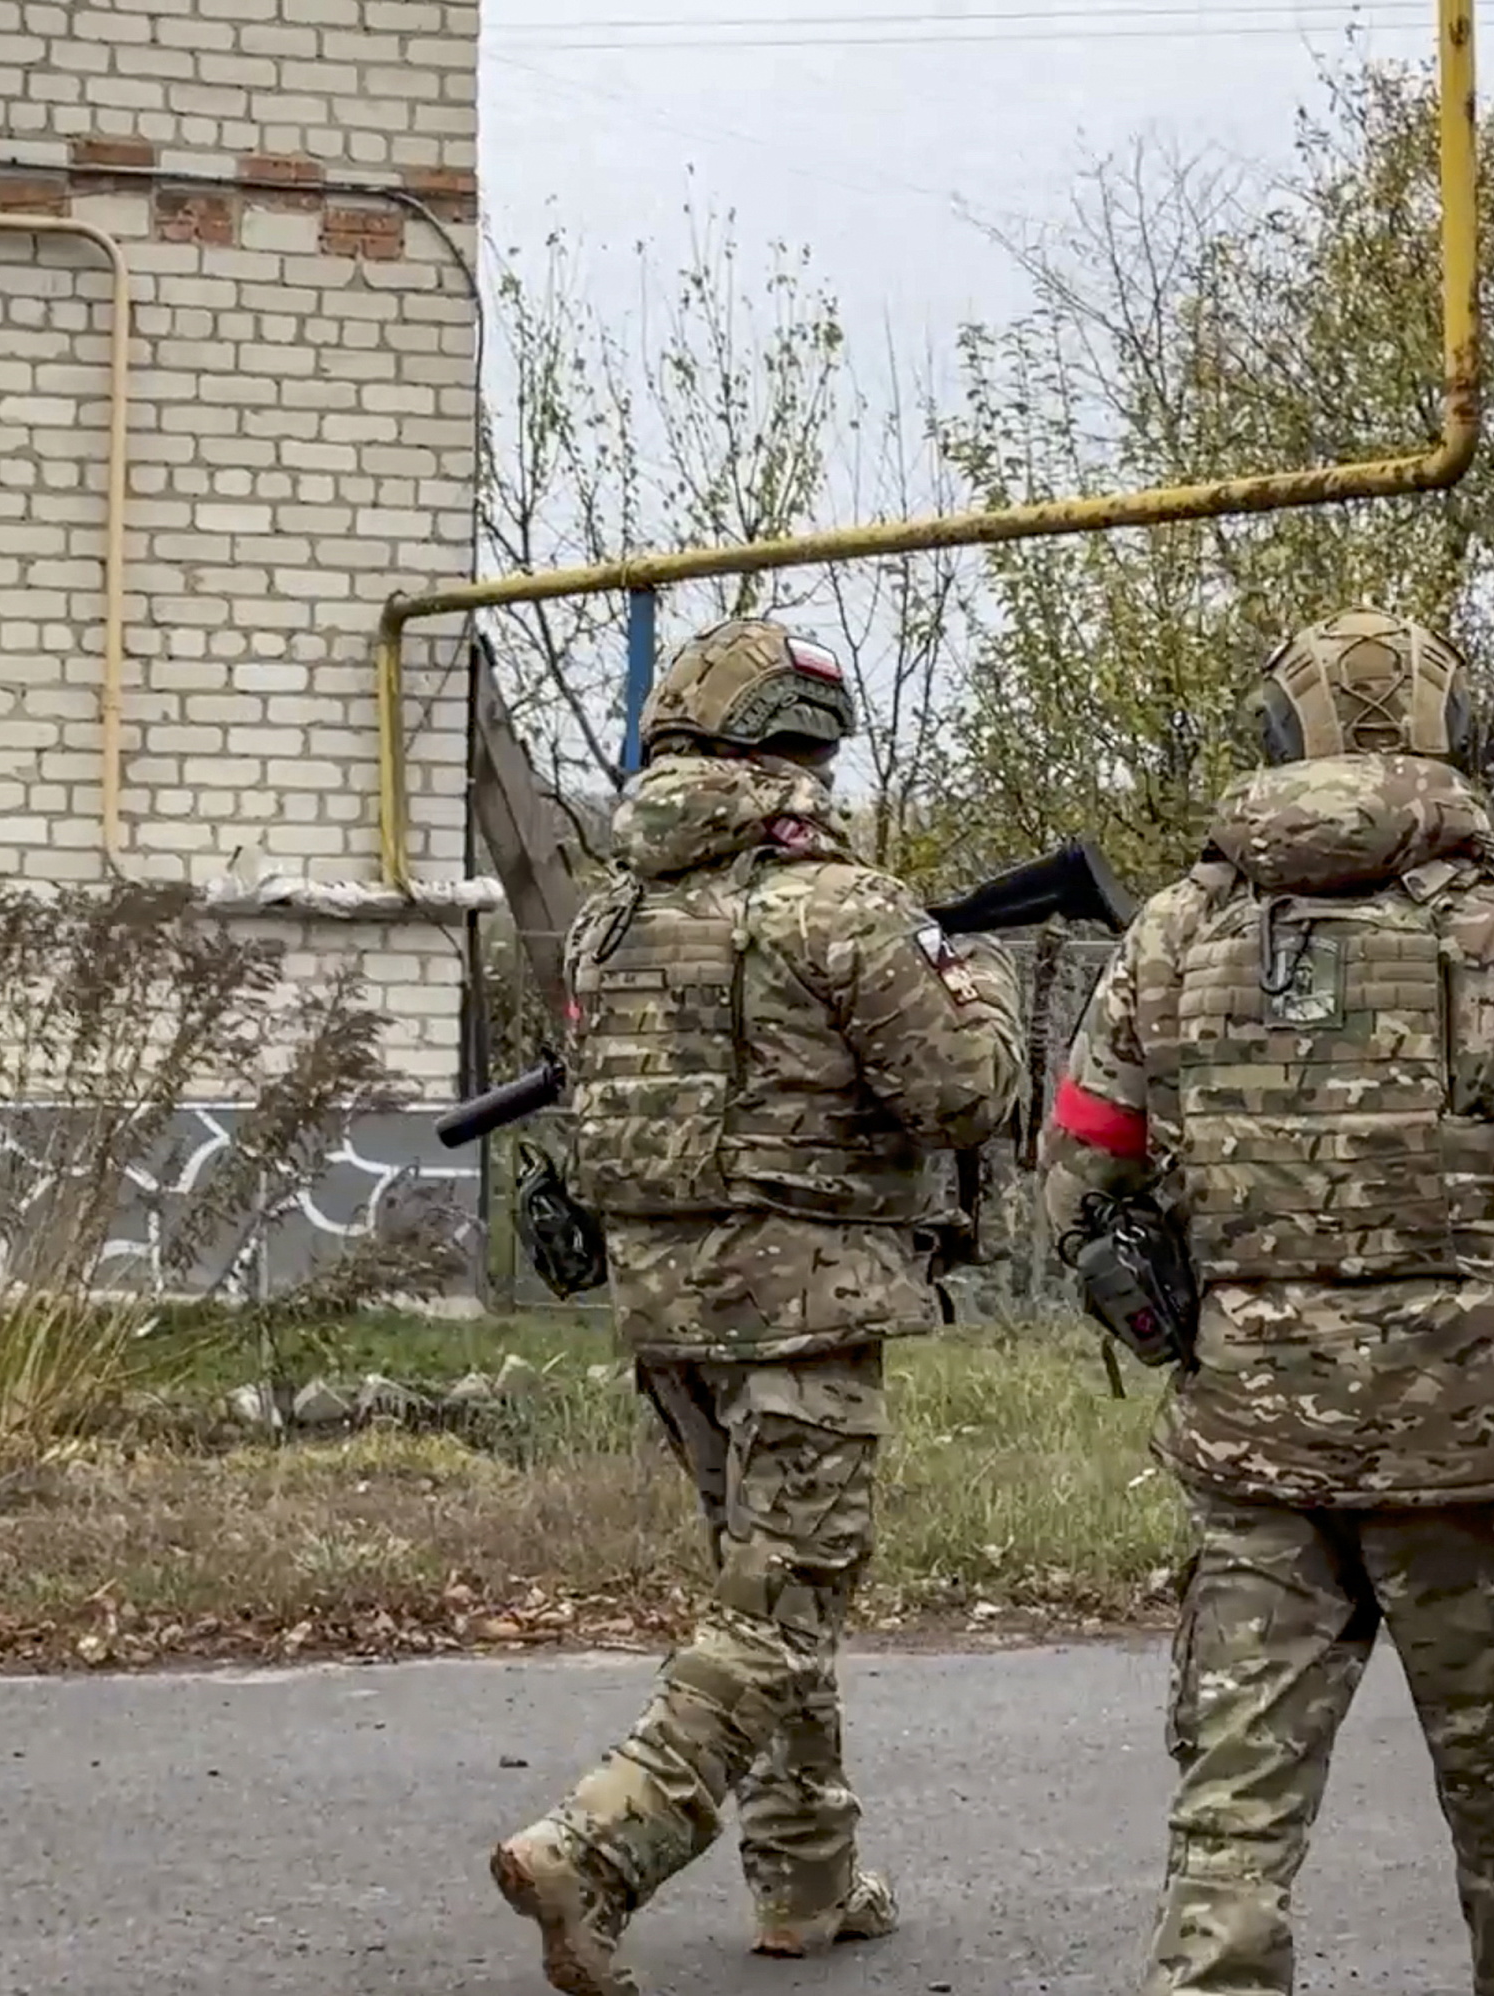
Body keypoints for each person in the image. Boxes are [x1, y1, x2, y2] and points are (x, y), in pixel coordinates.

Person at [1037, 607, 1494, 1996]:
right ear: (1448, 740)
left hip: (1252, 1445)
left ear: (1280, 742)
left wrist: (1177, 1313)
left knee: (1232, 1820)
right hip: (1470, 1450)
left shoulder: (1174, 933)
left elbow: (1082, 1169)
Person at [489, 615, 1030, 1996]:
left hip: (665, 1307)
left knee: (764, 1583)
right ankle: (598, 1848)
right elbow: (961, 1092)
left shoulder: (612, 915)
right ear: (797, 747)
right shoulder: (838, 905)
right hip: (807, 1302)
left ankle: (806, 1875)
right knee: (783, 1605)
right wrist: (990, 992)